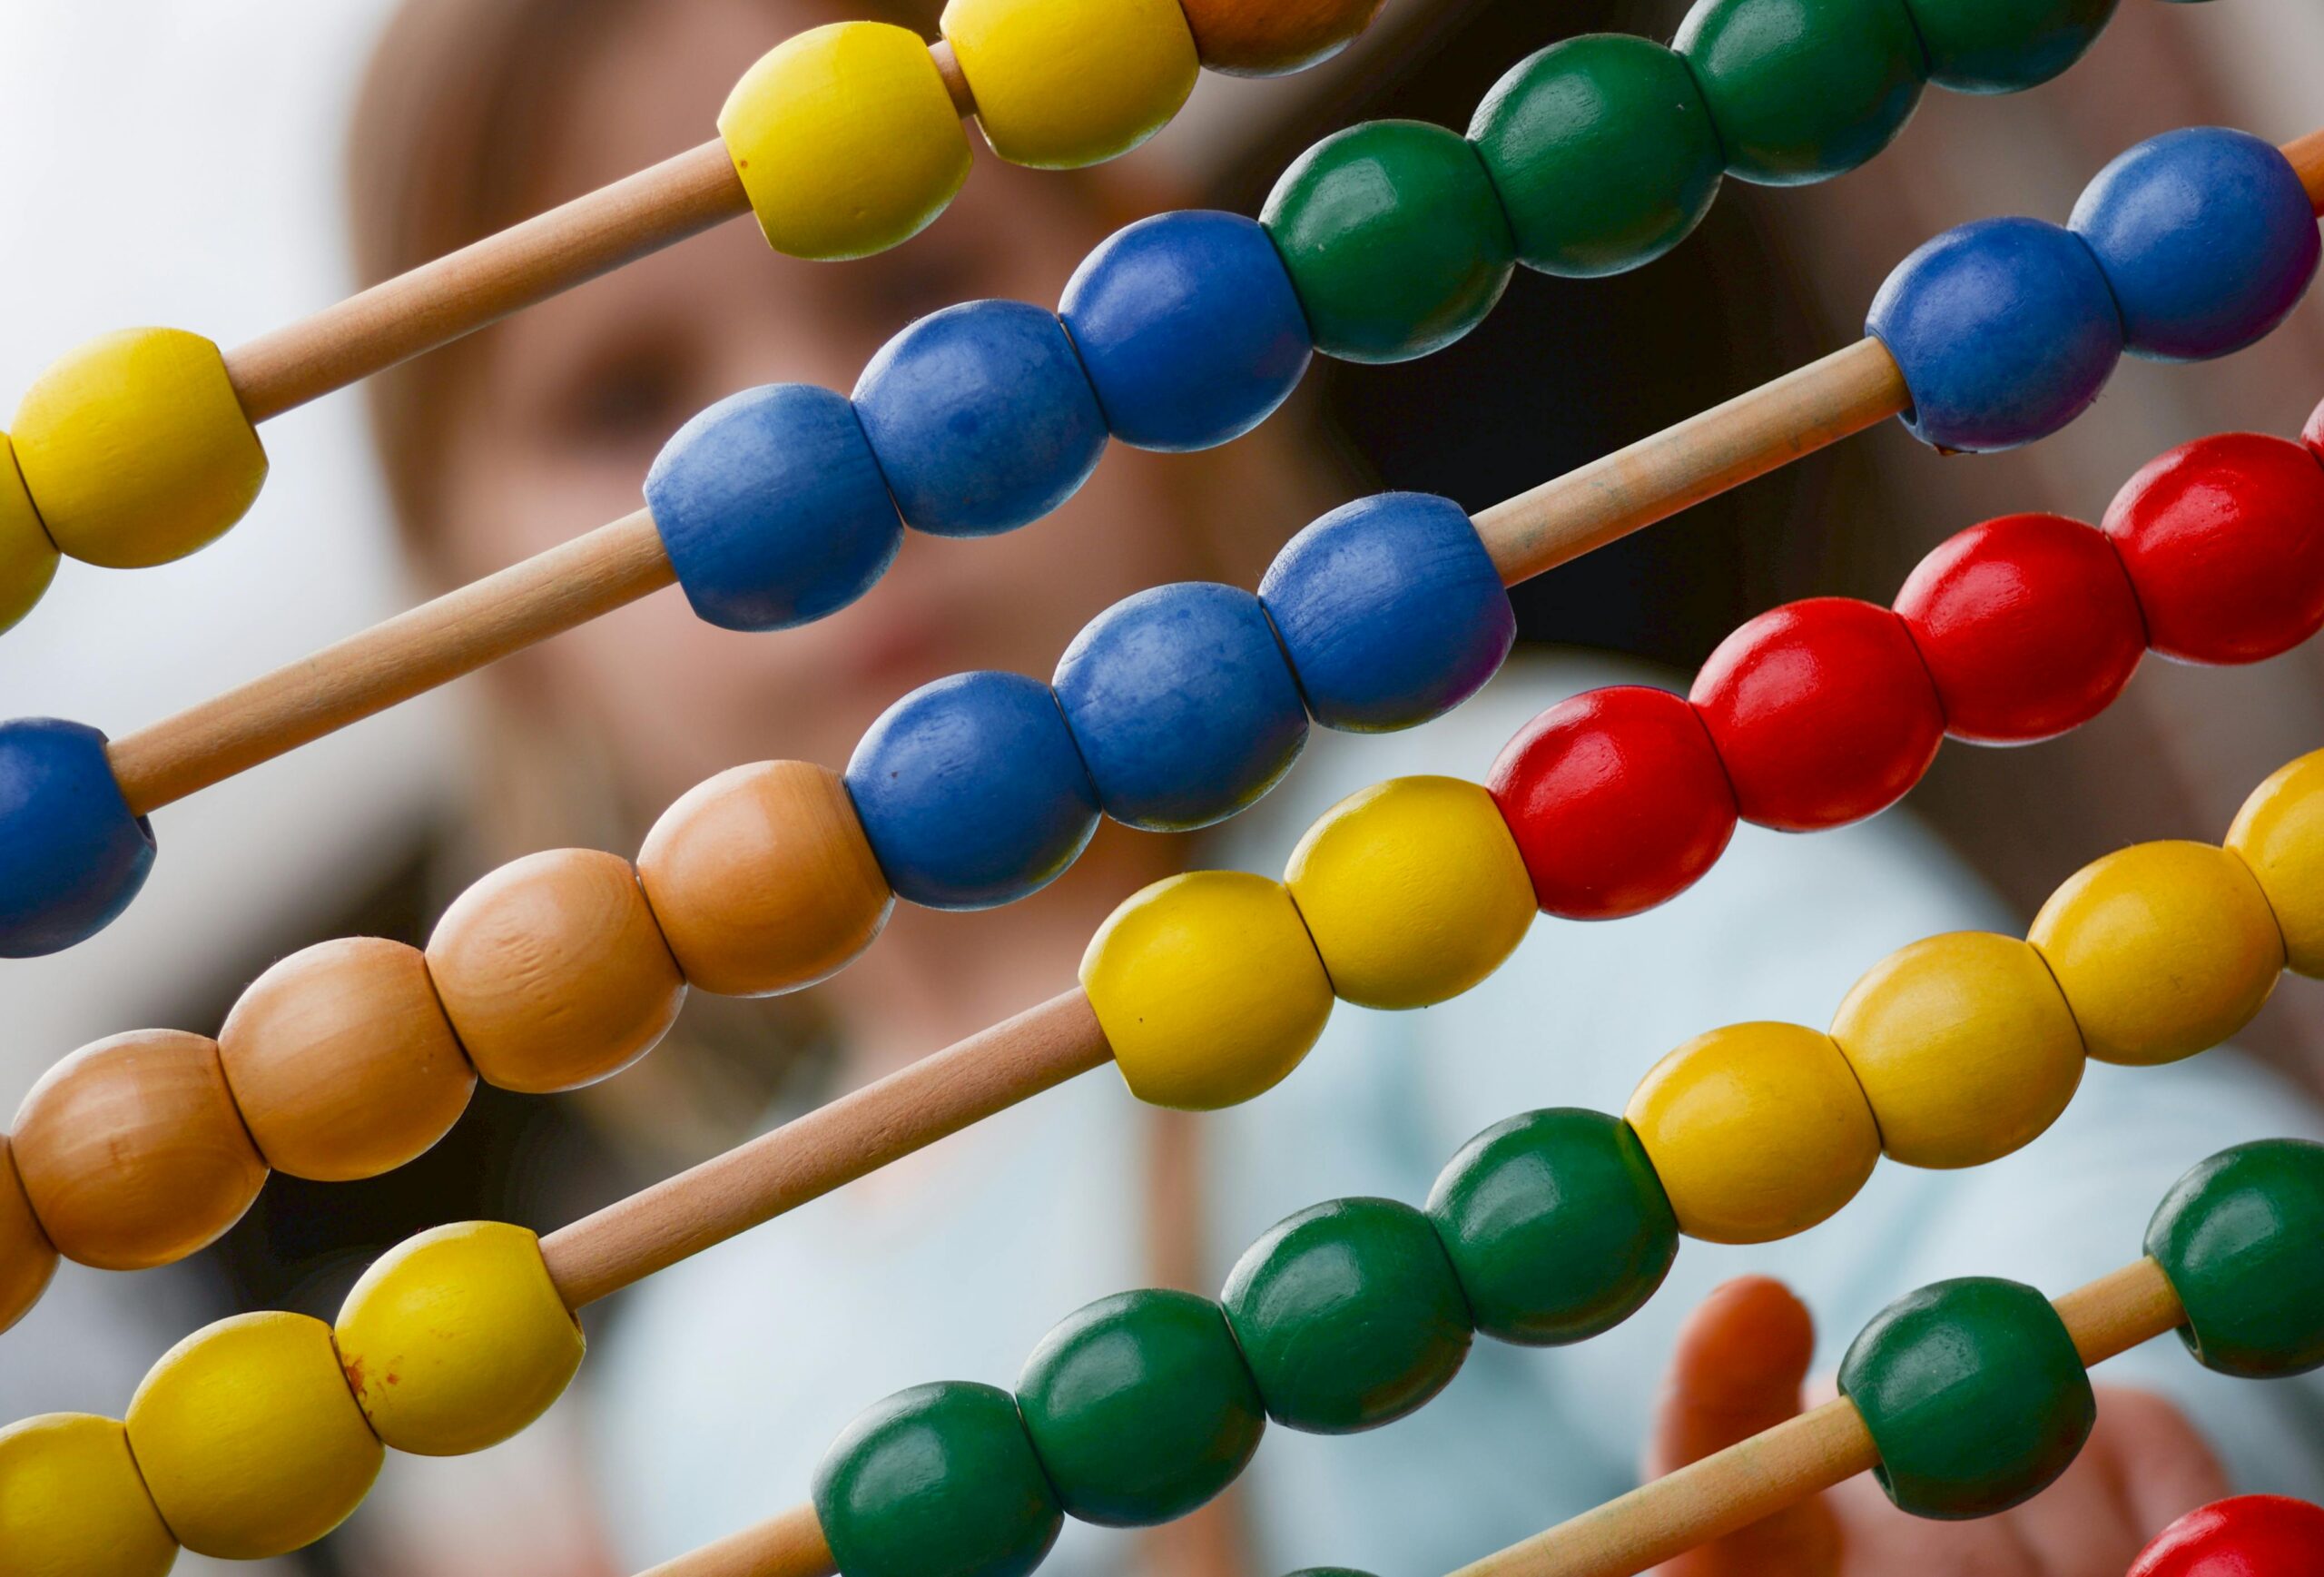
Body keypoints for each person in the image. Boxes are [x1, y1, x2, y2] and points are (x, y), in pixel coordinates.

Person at [326, 0, 2324, 1571]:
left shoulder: (1486, 844)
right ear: (492, 610)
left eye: (901, 293)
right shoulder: (678, 1376)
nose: (835, 452)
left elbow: (2005, 1135)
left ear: (1160, 327)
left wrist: (2019, 1428)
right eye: (624, 402)